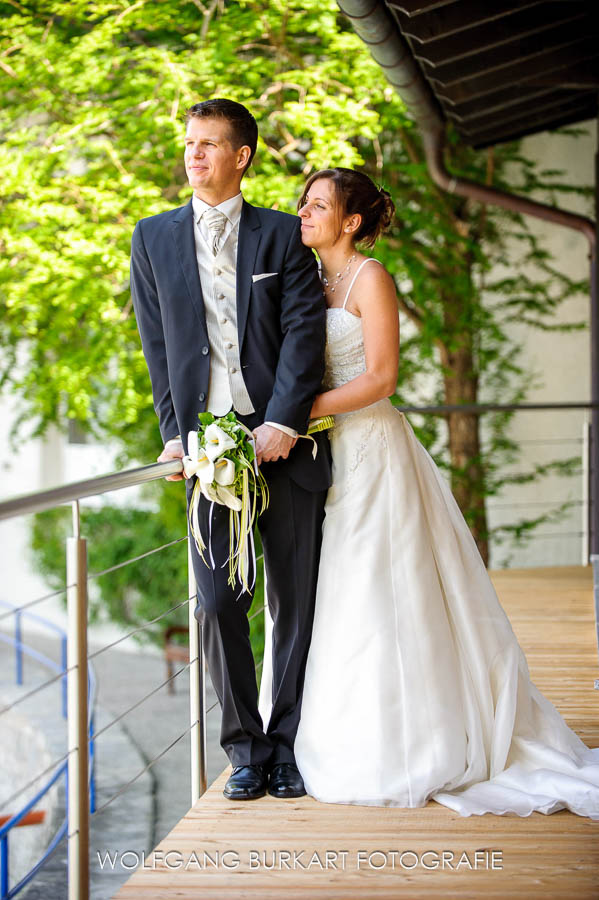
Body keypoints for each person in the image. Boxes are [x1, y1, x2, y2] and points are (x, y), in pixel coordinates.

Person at [259, 166, 599, 818]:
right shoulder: (306, 280)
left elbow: (381, 377)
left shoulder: (369, 277)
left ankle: (412, 742)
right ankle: (340, 732)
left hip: (374, 452)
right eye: (302, 202)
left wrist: (294, 413)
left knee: (381, 587)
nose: (301, 212)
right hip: (327, 456)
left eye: (317, 204)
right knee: (340, 594)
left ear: (350, 222)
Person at [130, 99, 331, 801]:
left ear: (240, 156)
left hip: (286, 448)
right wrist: (172, 434)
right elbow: (156, 347)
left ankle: (288, 745)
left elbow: (305, 334)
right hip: (206, 452)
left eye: (210, 144)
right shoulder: (151, 237)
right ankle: (244, 748)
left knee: (293, 601)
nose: (195, 155)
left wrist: (282, 421)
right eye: (190, 143)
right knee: (219, 601)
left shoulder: (282, 236)